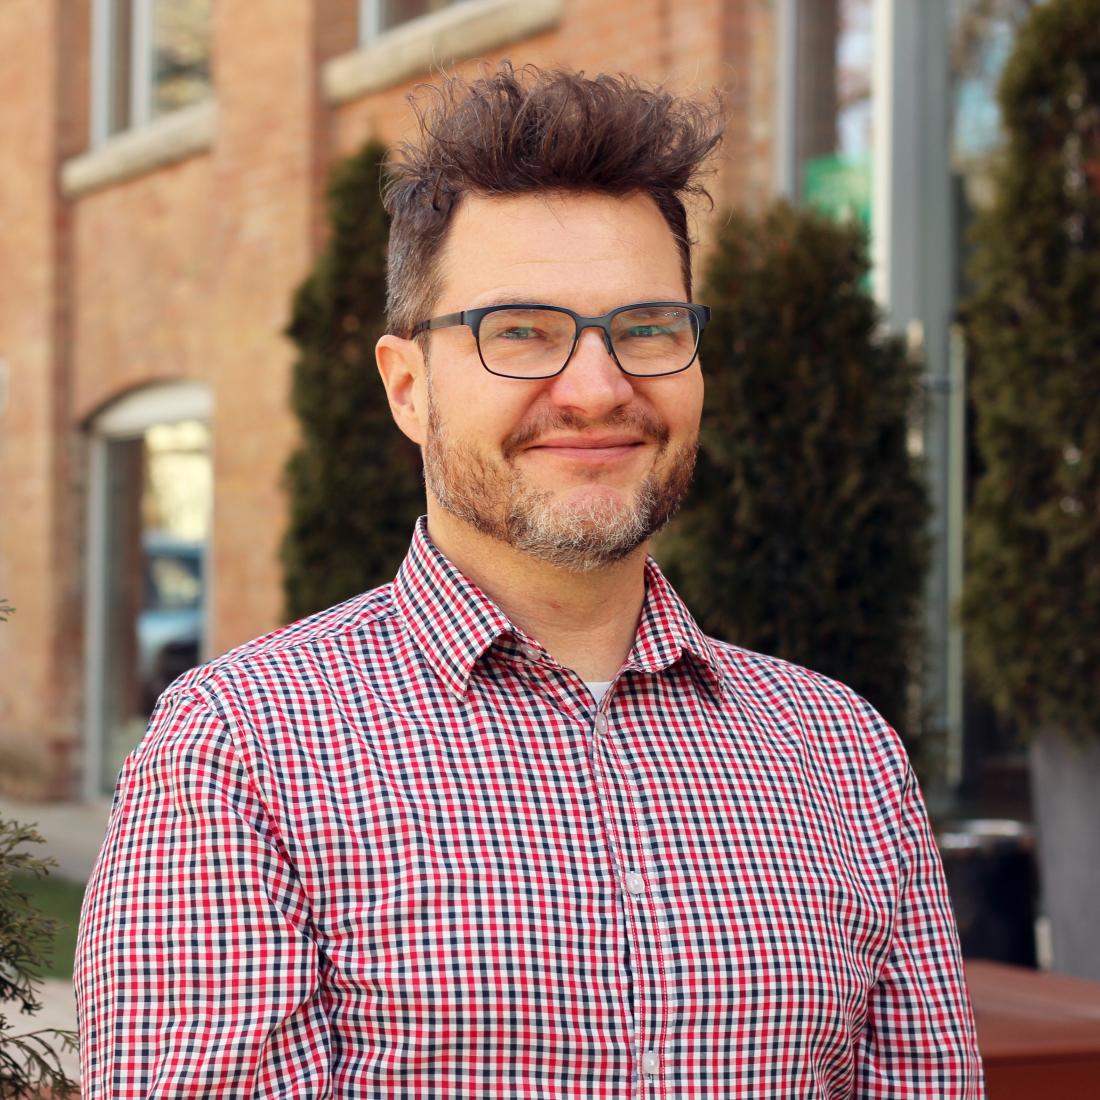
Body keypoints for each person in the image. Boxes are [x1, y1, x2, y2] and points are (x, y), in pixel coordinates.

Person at [76, 63, 983, 1097]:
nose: (596, 389)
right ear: (408, 386)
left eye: (645, 328)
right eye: (520, 332)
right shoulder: (239, 755)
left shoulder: (844, 754)